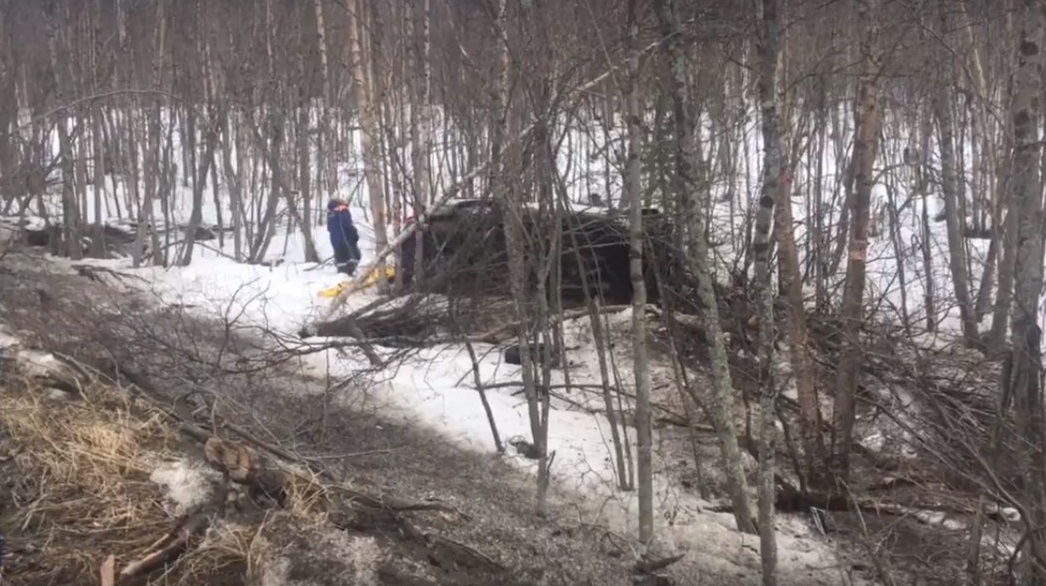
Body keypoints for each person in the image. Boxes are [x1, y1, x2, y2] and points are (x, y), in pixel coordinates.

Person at [326, 198, 361, 275]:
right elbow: (347, 224)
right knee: (354, 257)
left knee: (341, 260)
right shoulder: (343, 210)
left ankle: (342, 272)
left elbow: (329, 228)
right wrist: (354, 234)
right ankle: (351, 273)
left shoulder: (330, 213)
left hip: (335, 241)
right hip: (346, 239)